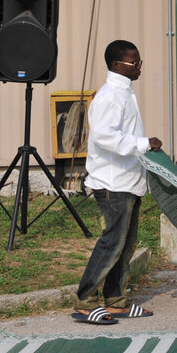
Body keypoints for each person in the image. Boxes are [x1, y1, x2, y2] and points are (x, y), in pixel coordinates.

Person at [73, 40, 162, 325]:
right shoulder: (110, 95)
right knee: (112, 243)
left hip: (127, 180)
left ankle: (116, 301)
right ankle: (85, 301)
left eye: (139, 62)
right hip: (112, 183)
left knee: (125, 245)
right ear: (115, 65)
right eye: (134, 63)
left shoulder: (125, 92)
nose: (139, 67)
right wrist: (144, 143)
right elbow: (104, 136)